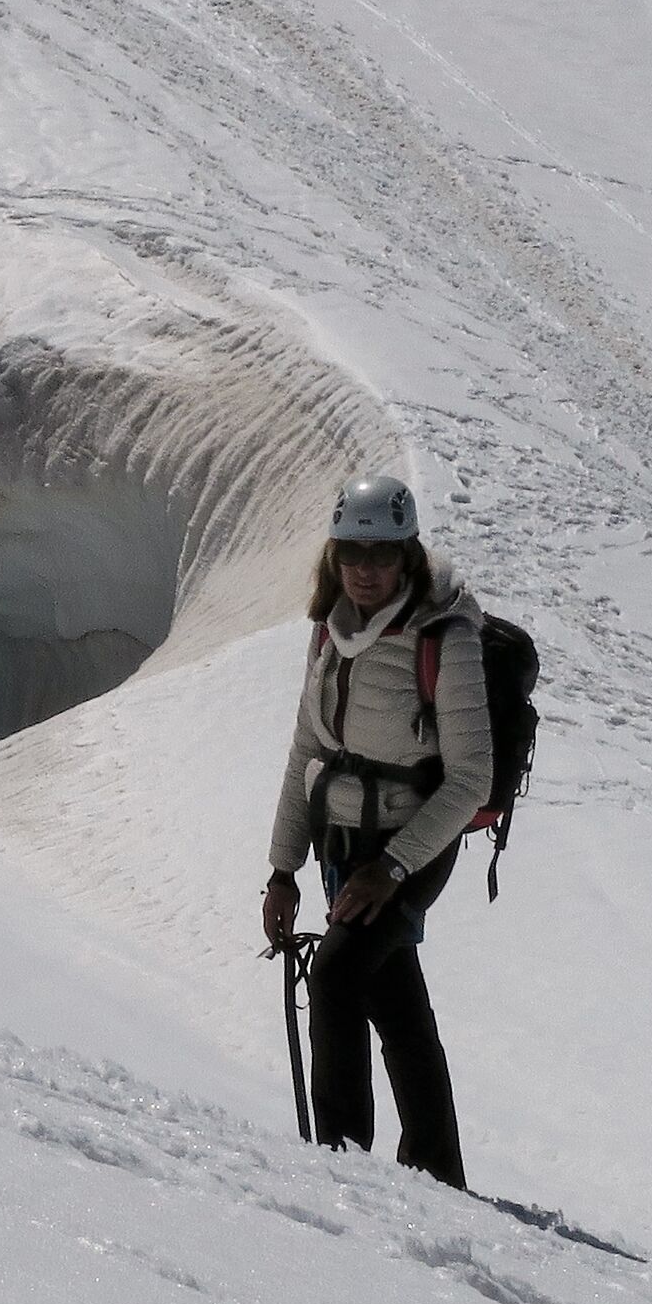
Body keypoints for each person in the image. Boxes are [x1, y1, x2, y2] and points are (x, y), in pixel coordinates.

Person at [261, 475, 491, 1190]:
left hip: (411, 847)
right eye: (352, 552)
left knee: (335, 975)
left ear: (408, 555)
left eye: (382, 553)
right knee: (393, 1001)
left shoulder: (442, 632)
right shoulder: (330, 627)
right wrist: (281, 870)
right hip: (344, 847)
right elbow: (308, 749)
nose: (365, 568)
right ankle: (437, 1169)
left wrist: (390, 869)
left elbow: (471, 779)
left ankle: (343, 1166)